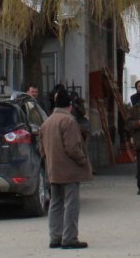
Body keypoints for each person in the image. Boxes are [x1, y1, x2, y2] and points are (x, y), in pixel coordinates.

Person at [41, 88, 92, 249]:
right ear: (69, 106)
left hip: (53, 168)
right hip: (70, 169)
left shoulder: (47, 122)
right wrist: (83, 161)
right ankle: (69, 238)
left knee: (55, 203)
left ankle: (55, 237)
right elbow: (72, 148)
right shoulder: (68, 121)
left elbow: (41, 148)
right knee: (71, 204)